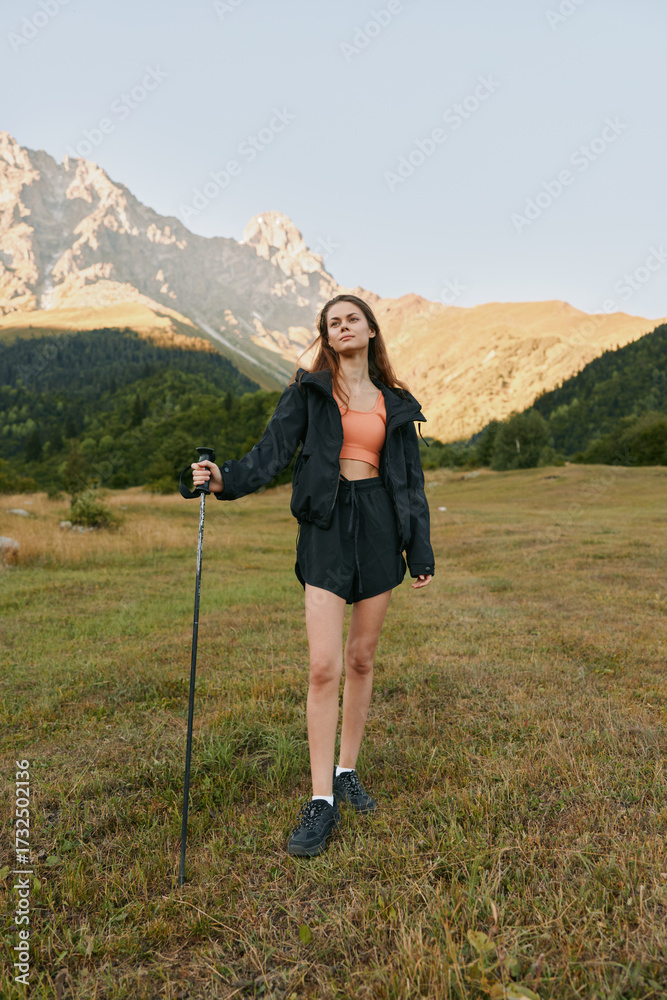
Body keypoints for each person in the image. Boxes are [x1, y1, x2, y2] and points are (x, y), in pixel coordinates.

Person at [190, 293, 434, 857]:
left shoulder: (396, 402)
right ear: (326, 336)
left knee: (362, 658)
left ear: (371, 331)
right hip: (325, 526)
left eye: (353, 319)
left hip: (378, 526)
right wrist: (223, 479)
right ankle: (321, 799)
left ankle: (348, 769)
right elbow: (271, 453)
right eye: (333, 323)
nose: (344, 327)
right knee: (324, 667)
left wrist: (418, 552)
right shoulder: (310, 391)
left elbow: (410, 485)